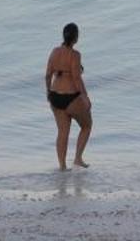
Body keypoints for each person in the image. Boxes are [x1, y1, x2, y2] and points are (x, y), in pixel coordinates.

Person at [45, 22, 92, 169]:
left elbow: (47, 75)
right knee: (87, 125)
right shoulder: (75, 55)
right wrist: (85, 97)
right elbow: (77, 79)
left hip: (55, 97)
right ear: (76, 38)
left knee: (62, 132)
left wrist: (48, 92)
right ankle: (77, 158)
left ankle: (62, 167)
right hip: (71, 97)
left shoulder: (54, 52)